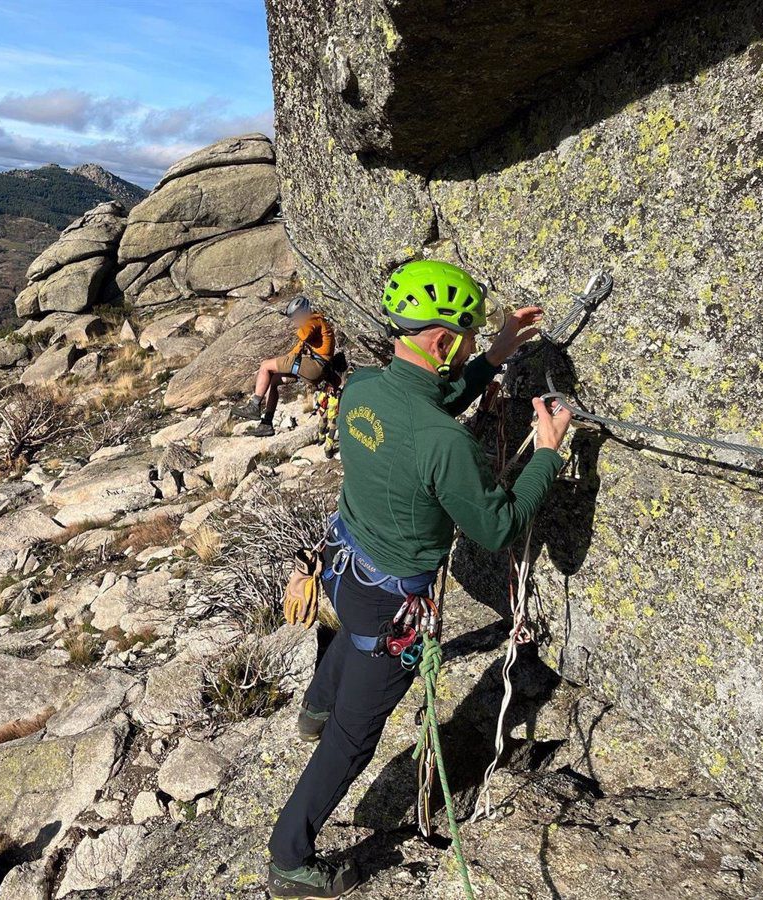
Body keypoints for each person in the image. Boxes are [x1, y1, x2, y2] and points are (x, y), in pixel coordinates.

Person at [266, 260, 573, 899]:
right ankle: (289, 854)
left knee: (349, 637)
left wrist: (492, 358)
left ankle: (315, 708)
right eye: (462, 339)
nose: (467, 346)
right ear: (439, 342)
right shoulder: (443, 444)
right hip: (390, 600)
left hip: (345, 566)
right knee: (355, 739)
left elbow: (430, 401)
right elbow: (497, 525)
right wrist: (545, 454)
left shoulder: (364, 387)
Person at [233, 295, 338, 437]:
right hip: (314, 369)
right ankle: (266, 424)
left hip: (314, 366)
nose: (294, 322)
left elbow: (304, 335)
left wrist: (302, 322)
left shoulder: (313, 320)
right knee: (273, 380)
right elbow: (296, 351)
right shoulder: (313, 323)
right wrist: (280, 362)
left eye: (295, 318)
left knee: (264, 366)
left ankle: (254, 405)